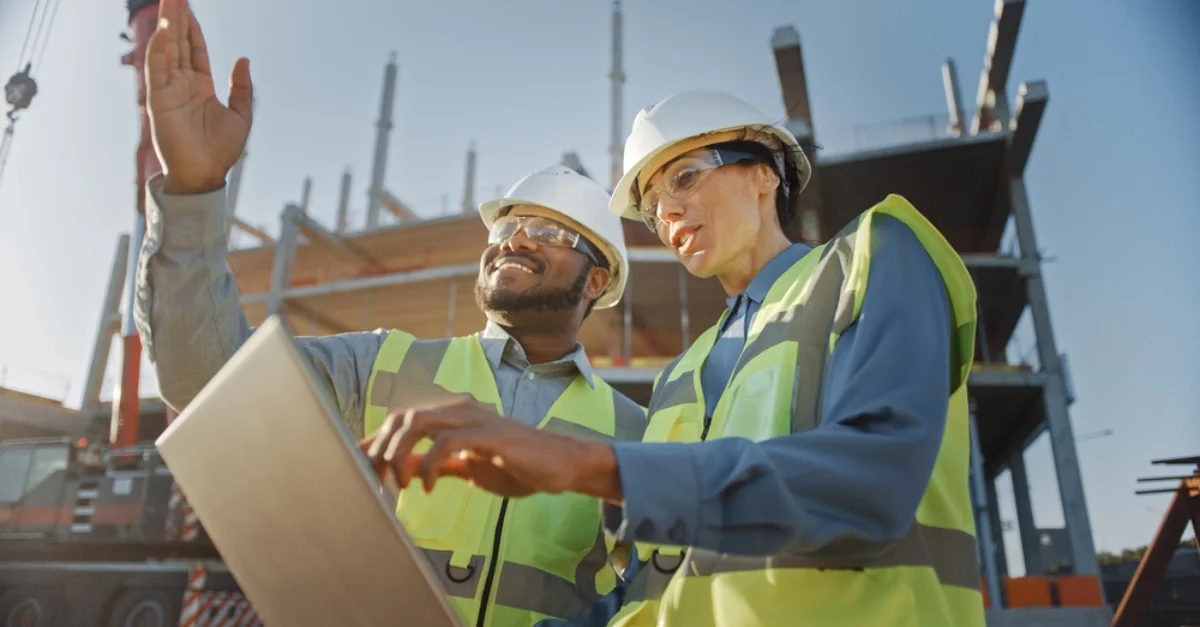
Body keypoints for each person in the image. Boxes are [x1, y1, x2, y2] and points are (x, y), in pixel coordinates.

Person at [377, 87, 986, 627]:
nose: (665, 213)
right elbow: (657, 583)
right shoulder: (680, 377)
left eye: (686, 177)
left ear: (764, 173)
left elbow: (870, 483)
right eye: (651, 203)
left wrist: (583, 463)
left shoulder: (874, 259)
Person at [134, 2, 646, 626]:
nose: (513, 239)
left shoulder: (638, 432)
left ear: (597, 278)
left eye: (543, 230)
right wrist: (191, 191)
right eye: (508, 225)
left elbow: (653, 594)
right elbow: (210, 383)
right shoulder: (383, 364)